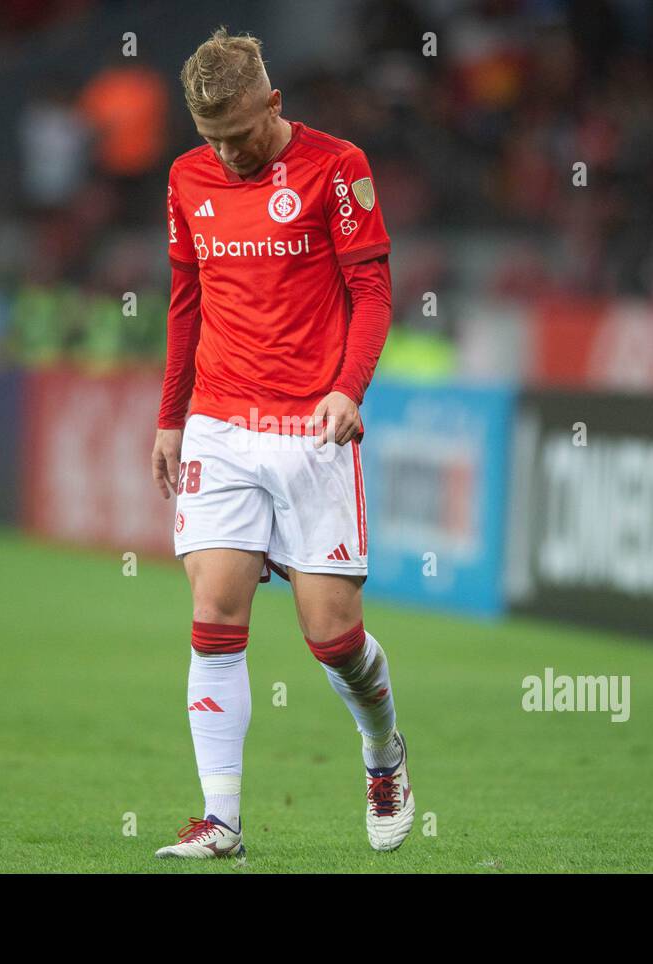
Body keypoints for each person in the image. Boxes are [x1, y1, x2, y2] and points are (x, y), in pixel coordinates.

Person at [150, 27, 411, 858]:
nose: (226, 155)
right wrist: (171, 416)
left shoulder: (339, 167)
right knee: (214, 617)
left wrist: (348, 387)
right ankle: (220, 818)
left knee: (332, 637)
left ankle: (384, 756)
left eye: (240, 134)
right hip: (221, 425)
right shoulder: (187, 179)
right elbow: (185, 298)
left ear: (274, 100)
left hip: (310, 426)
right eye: (211, 140)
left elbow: (371, 292)